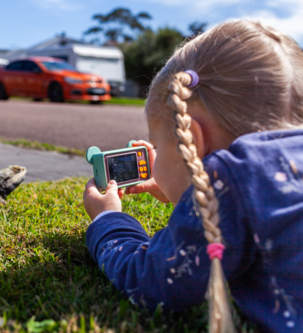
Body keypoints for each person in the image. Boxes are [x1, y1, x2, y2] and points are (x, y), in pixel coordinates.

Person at [83, 20, 303, 333]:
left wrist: (107, 220)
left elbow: (152, 280)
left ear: (194, 142)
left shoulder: (231, 176)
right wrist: (188, 194)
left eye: (159, 146)